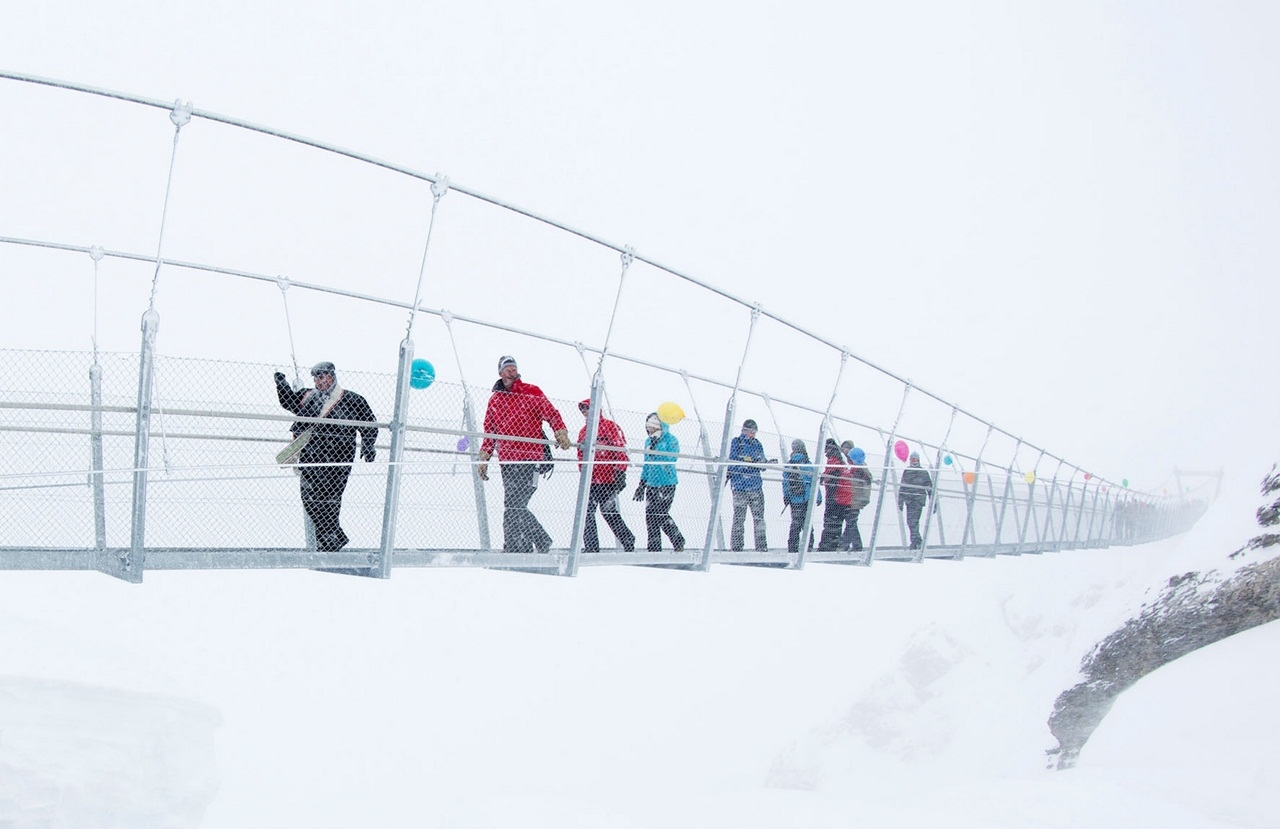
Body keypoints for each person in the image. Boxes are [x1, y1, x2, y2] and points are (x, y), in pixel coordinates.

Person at [274, 362, 377, 552]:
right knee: (309, 496)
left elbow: (369, 423)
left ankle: (329, 539)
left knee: (331, 497)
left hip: (339, 455)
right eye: (315, 378)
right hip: (311, 455)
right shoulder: (308, 396)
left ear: (331, 377)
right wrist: (281, 383)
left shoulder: (352, 399)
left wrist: (368, 444)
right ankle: (332, 537)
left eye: (321, 377)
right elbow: (288, 401)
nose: (317, 381)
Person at [477, 356, 571, 554]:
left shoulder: (531, 392)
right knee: (512, 504)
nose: (512, 372)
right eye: (507, 369)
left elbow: (551, 413)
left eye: (514, 368)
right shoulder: (495, 399)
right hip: (508, 460)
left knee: (515, 504)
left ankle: (524, 543)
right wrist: (484, 457)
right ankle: (521, 544)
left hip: (531, 458)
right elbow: (490, 431)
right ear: (500, 373)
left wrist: (560, 431)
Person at [576, 399, 635, 552]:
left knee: (608, 512)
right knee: (586, 512)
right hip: (591, 479)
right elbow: (580, 454)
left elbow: (620, 449)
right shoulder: (584, 431)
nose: (585, 412)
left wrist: (620, 472)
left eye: (587, 409)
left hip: (609, 478)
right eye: (583, 410)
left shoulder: (610, 427)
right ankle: (591, 546)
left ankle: (627, 539)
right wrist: (583, 471)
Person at [635, 412, 685, 552]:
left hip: (667, 482)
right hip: (651, 483)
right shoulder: (648, 441)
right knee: (650, 516)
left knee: (660, 513)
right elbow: (647, 464)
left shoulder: (671, 439)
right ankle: (654, 547)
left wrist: (657, 450)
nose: (649, 429)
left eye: (652, 425)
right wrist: (642, 483)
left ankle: (678, 540)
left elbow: (672, 460)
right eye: (648, 426)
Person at [727, 418, 772, 551]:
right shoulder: (737, 442)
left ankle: (761, 547)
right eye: (751, 431)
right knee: (739, 519)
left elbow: (761, 463)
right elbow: (733, 462)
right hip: (740, 486)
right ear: (744, 430)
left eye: (754, 432)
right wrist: (751, 464)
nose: (753, 434)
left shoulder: (757, 444)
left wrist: (764, 463)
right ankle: (736, 547)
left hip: (755, 486)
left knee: (759, 518)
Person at [782, 438, 817, 553]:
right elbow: (814, 482)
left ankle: (792, 548)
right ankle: (808, 547)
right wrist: (818, 497)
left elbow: (785, 482)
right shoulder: (807, 464)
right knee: (807, 525)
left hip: (794, 499)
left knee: (795, 524)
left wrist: (786, 496)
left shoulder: (789, 464)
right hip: (807, 498)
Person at [818, 438, 853, 551]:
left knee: (830, 522)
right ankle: (833, 544)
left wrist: (824, 477)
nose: (825, 452)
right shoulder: (841, 460)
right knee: (836, 523)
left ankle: (826, 546)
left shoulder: (833, 460)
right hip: (841, 497)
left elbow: (833, 475)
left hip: (834, 497)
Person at [898, 450, 934, 549]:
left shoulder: (923, 473)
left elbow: (930, 488)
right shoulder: (907, 471)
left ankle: (916, 541)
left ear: (918, 460)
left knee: (913, 521)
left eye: (915, 459)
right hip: (909, 500)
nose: (913, 461)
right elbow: (902, 486)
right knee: (910, 521)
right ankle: (916, 540)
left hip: (918, 500)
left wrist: (933, 502)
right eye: (912, 459)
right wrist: (900, 501)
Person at [842, 446, 873, 552]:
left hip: (854, 500)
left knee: (851, 523)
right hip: (854, 499)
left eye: (850, 459)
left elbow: (864, 484)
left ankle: (845, 545)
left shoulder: (859, 471)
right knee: (852, 523)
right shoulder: (858, 469)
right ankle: (856, 545)